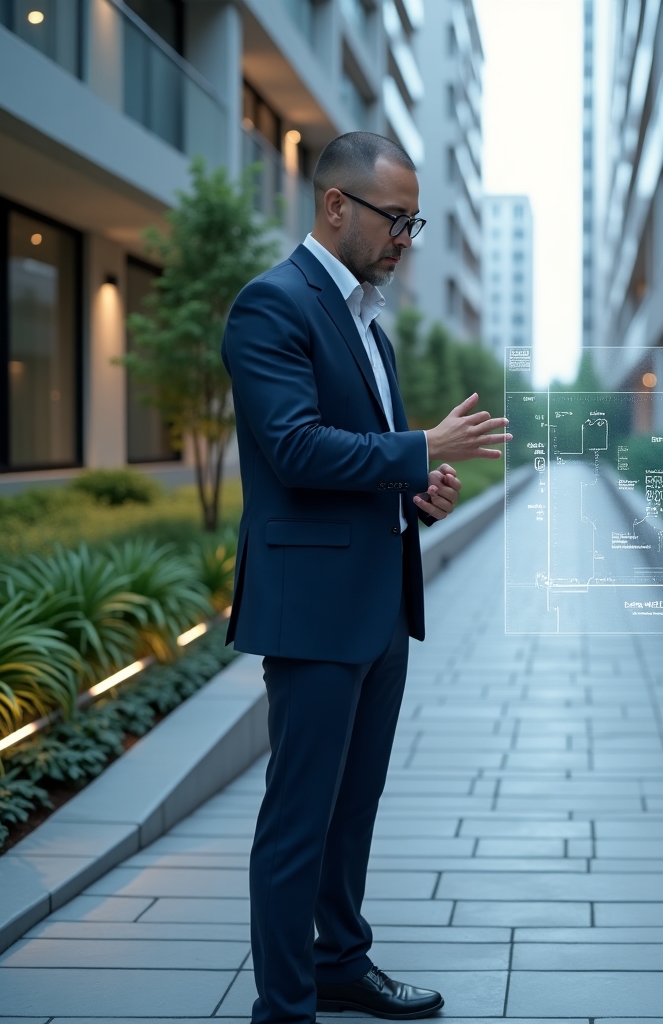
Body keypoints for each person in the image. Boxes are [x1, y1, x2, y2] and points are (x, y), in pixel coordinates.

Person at [221, 132, 511, 1024]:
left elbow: (354, 458)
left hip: (379, 602)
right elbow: (297, 448)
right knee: (298, 820)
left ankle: (342, 961)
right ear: (336, 206)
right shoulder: (272, 305)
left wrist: (415, 486)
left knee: (353, 809)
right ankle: (286, 1007)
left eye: (414, 222)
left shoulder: (368, 328)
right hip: (311, 610)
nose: (406, 238)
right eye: (396, 218)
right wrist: (419, 445)